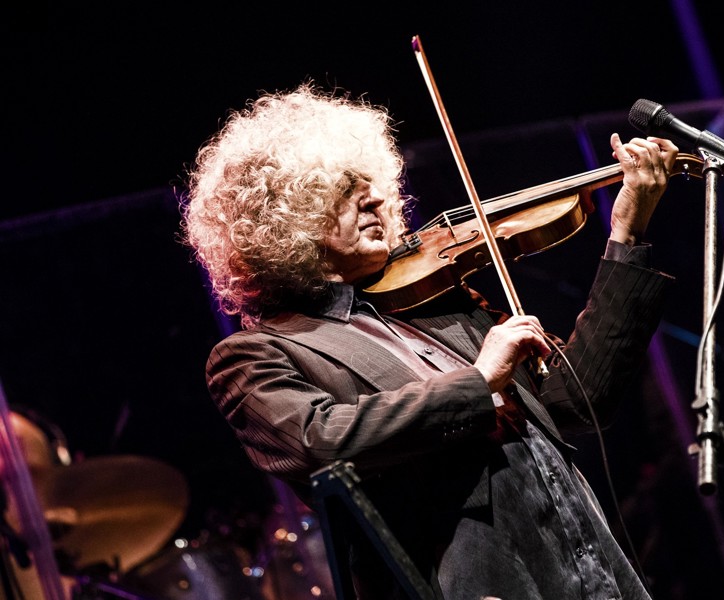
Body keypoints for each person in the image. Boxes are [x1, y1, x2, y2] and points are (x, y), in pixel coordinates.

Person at [181, 81, 679, 600]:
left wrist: (626, 236)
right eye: (345, 190)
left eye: (374, 183)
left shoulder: (439, 302)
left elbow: (578, 399)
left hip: (592, 568)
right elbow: (319, 441)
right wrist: (478, 382)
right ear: (285, 220)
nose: (377, 198)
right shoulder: (255, 355)